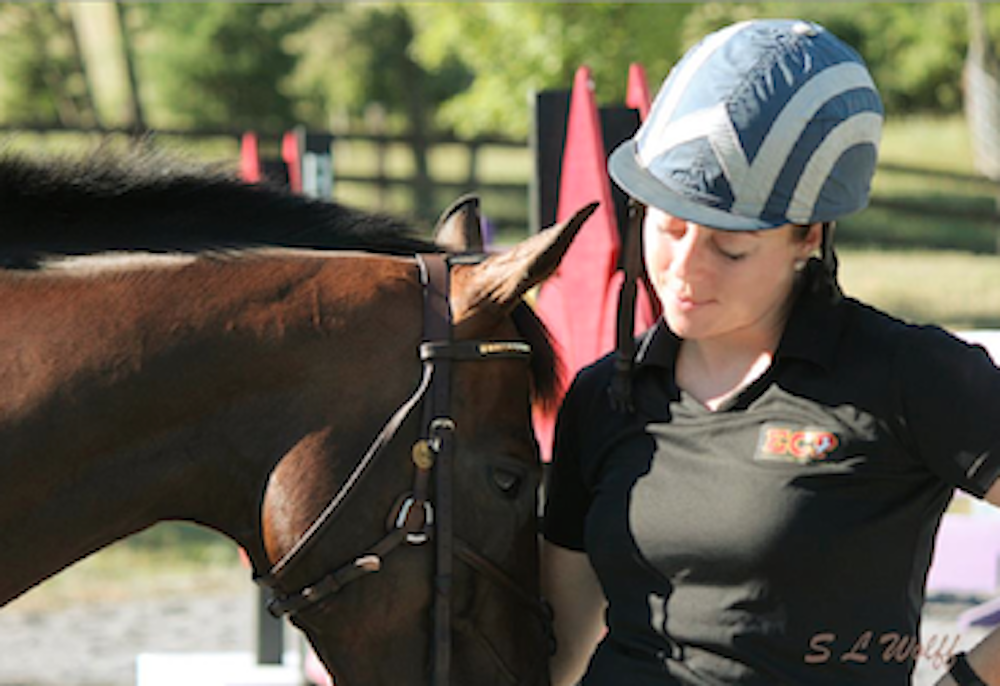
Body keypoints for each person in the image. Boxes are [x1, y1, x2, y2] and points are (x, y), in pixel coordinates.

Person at [541, 18, 1000, 686]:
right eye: (668, 229)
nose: (685, 269)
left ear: (808, 237)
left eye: (730, 248)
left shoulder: (909, 375)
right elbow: (554, 650)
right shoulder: (603, 395)